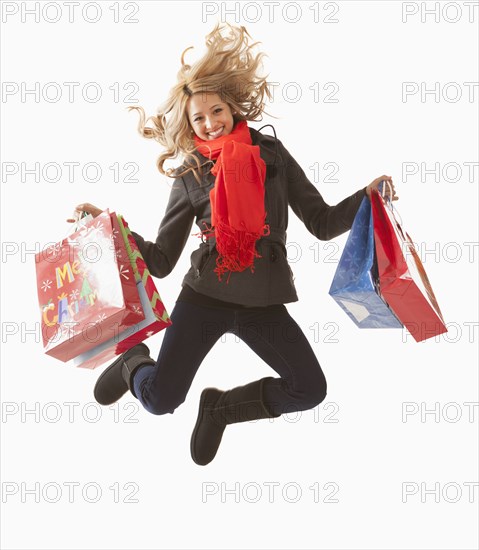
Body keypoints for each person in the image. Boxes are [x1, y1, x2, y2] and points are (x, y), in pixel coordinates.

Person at [67, 23, 397, 466]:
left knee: (309, 389)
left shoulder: (272, 156)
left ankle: (221, 409)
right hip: (205, 296)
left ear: (232, 106)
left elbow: (320, 222)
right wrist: (110, 226)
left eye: (216, 111)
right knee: (161, 400)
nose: (209, 123)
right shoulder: (191, 174)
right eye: (197, 119)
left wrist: (367, 196)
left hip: (261, 301)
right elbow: (162, 260)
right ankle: (133, 365)